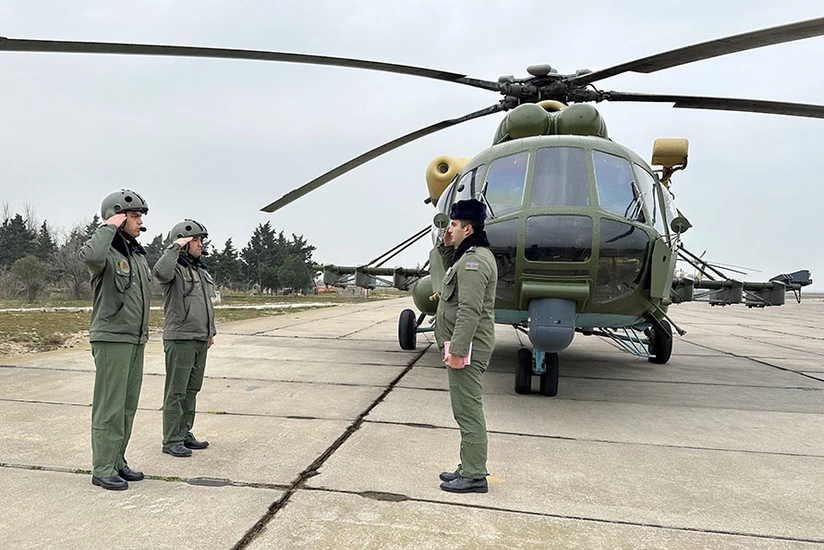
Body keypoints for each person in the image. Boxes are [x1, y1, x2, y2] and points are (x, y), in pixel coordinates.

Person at [79, 189, 151, 491]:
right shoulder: (105, 253)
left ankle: (118, 459)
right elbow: (90, 256)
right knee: (110, 405)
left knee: (127, 405)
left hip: (134, 339)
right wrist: (109, 225)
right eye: (134, 216)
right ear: (119, 216)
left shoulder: (135, 253)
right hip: (112, 337)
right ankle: (103, 467)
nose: (140, 222)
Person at [434, 198, 498, 494]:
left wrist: (458, 351)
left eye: (455, 225)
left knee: (468, 410)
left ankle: (474, 474)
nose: (451, 228)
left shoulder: (474, 260)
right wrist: (447, 246)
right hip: (462, 346)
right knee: (463, 408)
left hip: (467, 349)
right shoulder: (467, 256)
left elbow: (469, 309)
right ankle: (467, 465)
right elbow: (453, 278)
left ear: (468, 227)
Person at [153, 219, 216, 458]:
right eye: (195, 240)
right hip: (180, 338)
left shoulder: (201, 270)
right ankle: (171, 439)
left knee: (192, 390)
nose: (200, 244)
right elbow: (160, 271)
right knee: (176, 391)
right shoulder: (174, 270)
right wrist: (175, 247)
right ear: (184, 242)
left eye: (201, 240)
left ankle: (184, 432)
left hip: (200, 338)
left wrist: (210, 332)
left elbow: (206, 304)